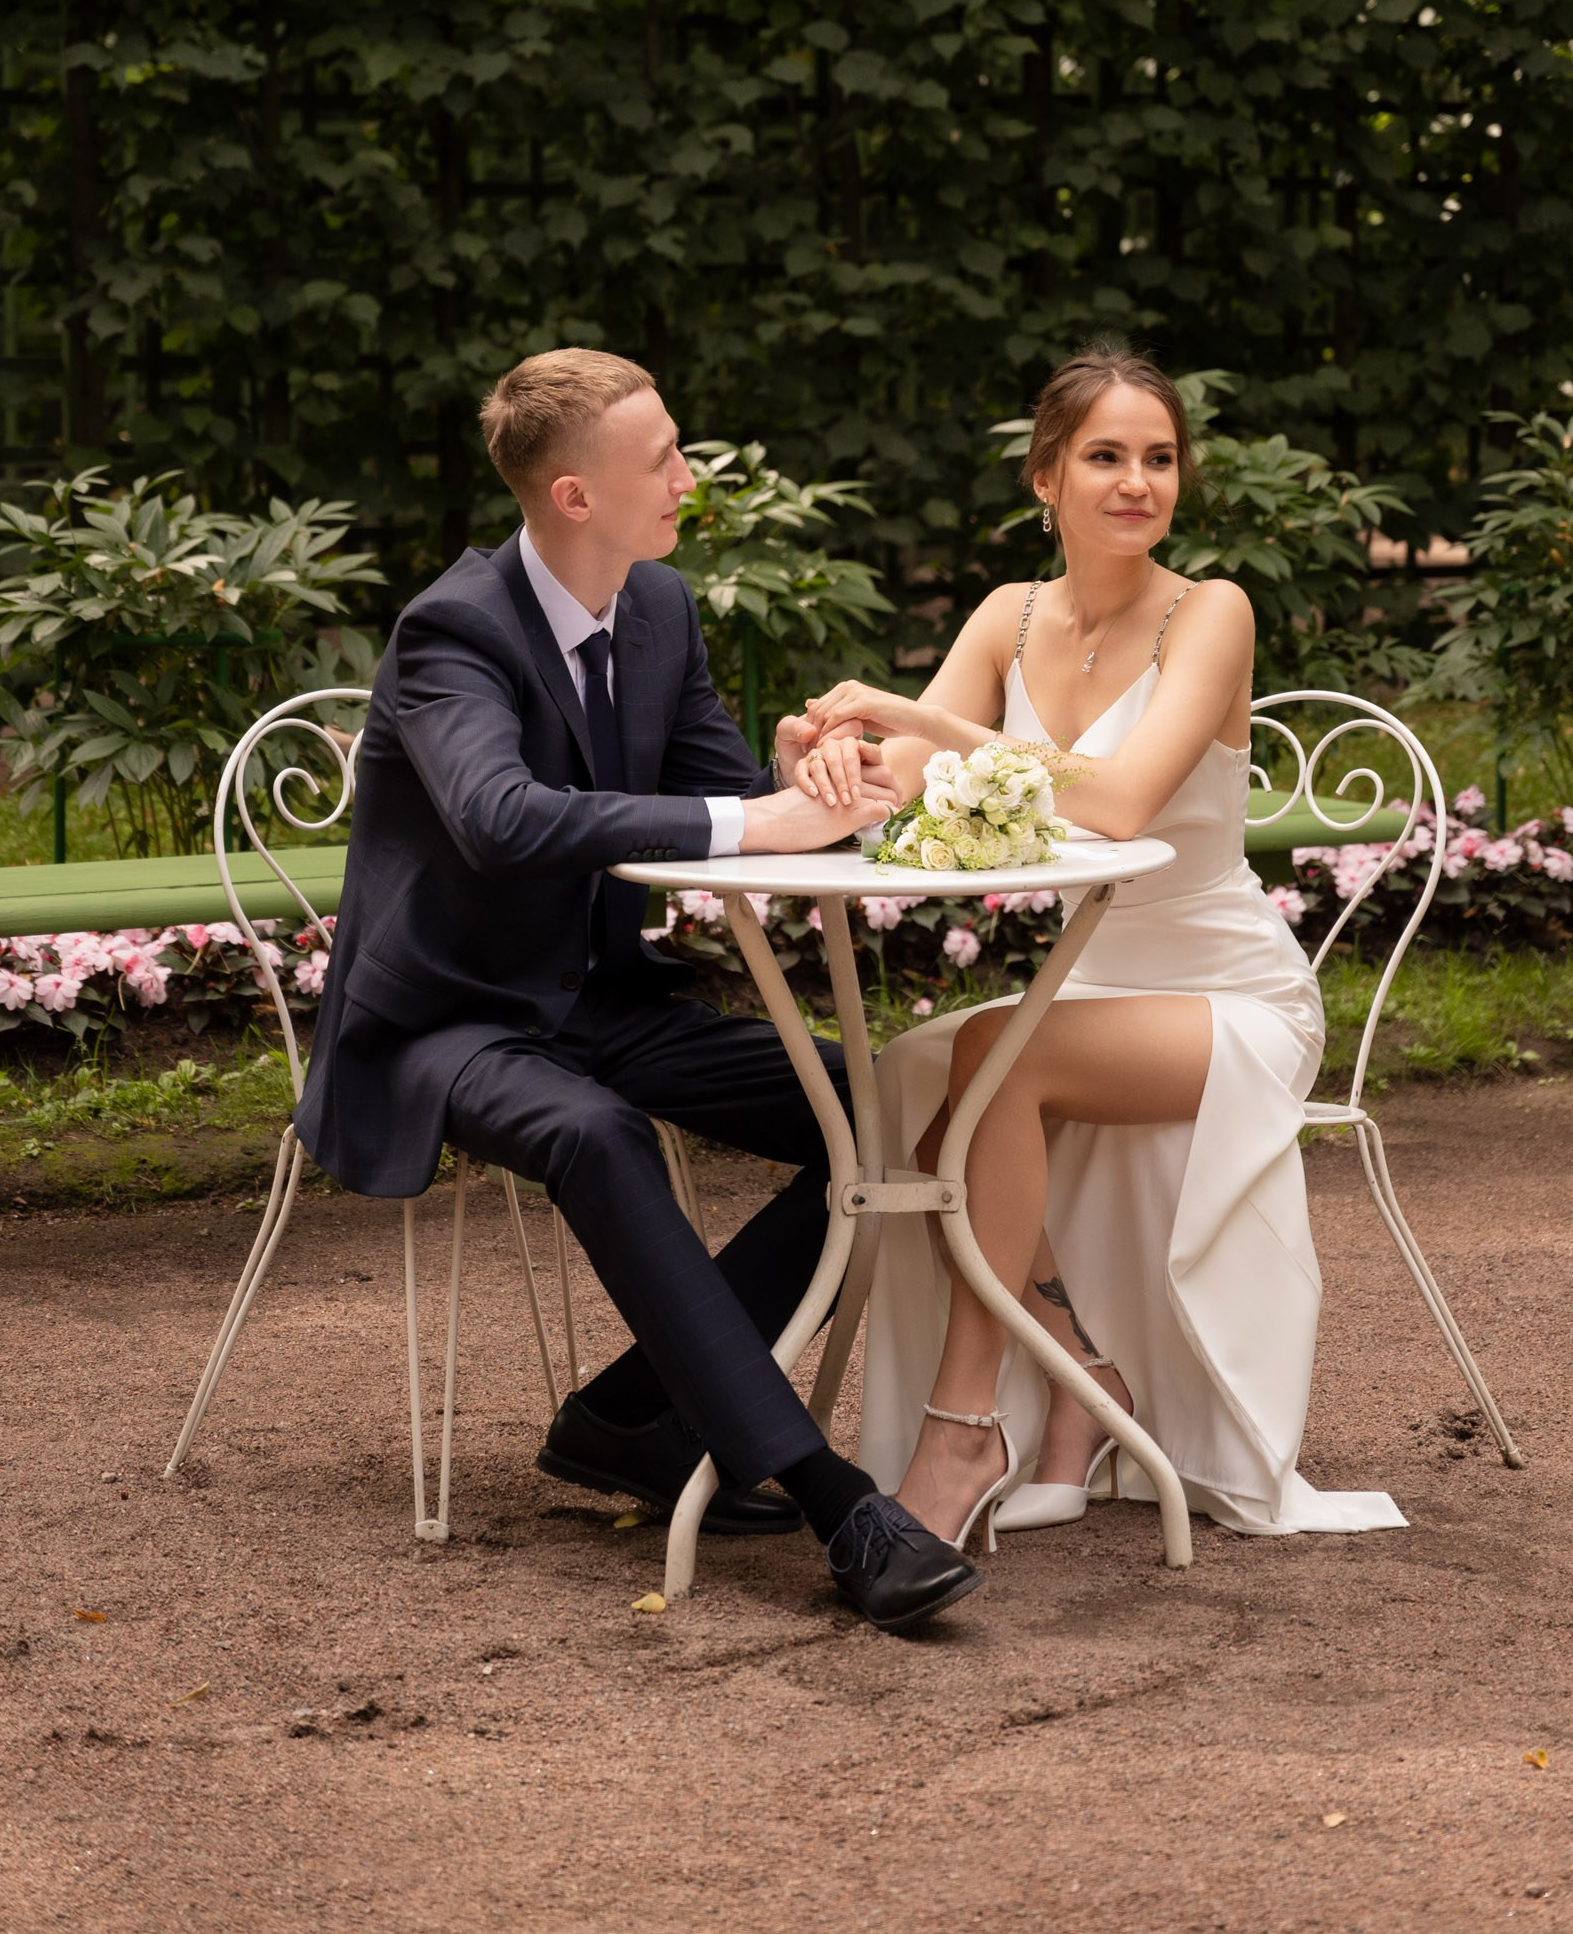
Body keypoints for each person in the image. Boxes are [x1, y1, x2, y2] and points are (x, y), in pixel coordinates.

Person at [295, 347, 985, 1632]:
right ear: (572, 494)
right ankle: (836, 1498)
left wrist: (811, 773)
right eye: (661, 454)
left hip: (604, 999)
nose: (686, 471)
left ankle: (629, 1416)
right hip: (448, 1020)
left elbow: (724, 797)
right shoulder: (454, 630)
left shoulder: (658, 607)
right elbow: (501, 818)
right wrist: (751, 813)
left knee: (883, 1113)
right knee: (593, 1132)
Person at [800, 341, 1404, 1549]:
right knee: (909, 1081)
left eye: (1159, 457)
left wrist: (912, 710)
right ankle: (1083, 1379)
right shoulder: (1007, 615)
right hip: (1091, 983)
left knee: (994, 1063)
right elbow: (904, 773)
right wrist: (822, 741)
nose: (1137, 481)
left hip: (1225, 993)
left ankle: (962, 1423)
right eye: (1105, 456)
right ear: (1045, 477)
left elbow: (1121, 801)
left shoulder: (1210, 610)